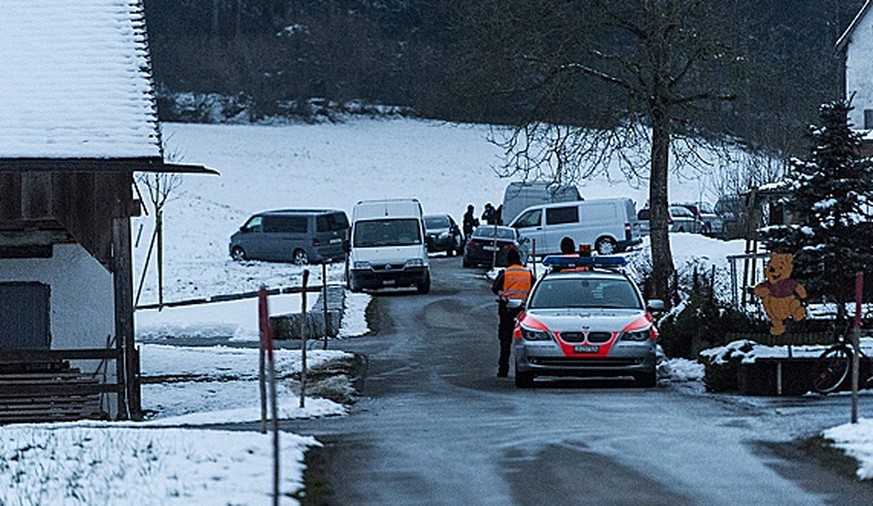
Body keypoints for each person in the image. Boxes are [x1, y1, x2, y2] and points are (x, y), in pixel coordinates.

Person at [490, 248, 535, 377]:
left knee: (505, 342)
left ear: (508, 260)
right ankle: (527, 367)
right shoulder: (528, 274)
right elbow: (534, 289)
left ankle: (503, 369)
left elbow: (495, 288)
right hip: (524, 313)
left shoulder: (505, 273)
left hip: (506, 311)